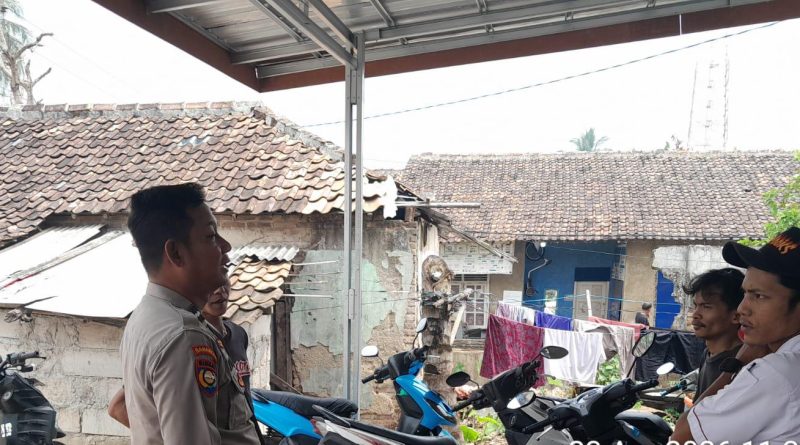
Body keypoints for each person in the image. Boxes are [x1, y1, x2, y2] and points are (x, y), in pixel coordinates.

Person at [120, 183, 260, 445]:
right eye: (211, 236)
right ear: (176, 253)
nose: (225, 246)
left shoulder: (146, 317)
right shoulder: (183, 335)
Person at [670, 227, 800, 443]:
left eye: (759, 296)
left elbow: (682, 437)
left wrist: (737, 364)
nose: (742, 309)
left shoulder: (775, 372)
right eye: (746, 293)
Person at [109, 281, 266, 443]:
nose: (219, 290)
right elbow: (118, 407)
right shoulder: (186, 339)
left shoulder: (238, 334)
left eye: (222, 279)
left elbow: (243, 399)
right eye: (210, 283)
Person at [683, 268, 744, 400]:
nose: (695, 314)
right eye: (695, 306)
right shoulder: (708, 353)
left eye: (706, 307)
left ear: (736, 316)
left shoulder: (743, 364)